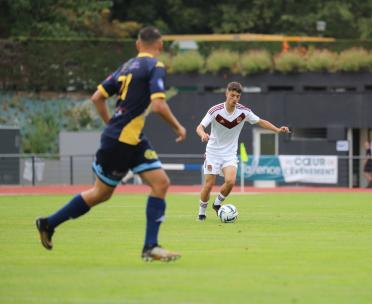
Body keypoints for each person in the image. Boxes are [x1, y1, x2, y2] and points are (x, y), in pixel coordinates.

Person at [35, 26, 187, 261]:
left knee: (160, 183)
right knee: (101, 194)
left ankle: (151, 247)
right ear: (160, 46)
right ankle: (49, 223)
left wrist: (110, 124)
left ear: (138, 45)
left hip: (128, 138)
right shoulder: (155, 66)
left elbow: (97, 97)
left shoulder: (126, 66)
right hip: (122, 142)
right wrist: (178, 127)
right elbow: (158, 105)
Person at [195, 81, 290, 221]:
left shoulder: (244, 111)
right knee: (209, 185)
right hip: (213, 152)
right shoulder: (215, 110)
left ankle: (217, 204)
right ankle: (201, 213)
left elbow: (260, 121)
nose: (234, 99)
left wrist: (276, 129)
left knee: (231, 181)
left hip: (229, 154)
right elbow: (199, 127)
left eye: (237, 96)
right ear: (226, 94)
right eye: (232, 95)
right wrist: (203, 134)